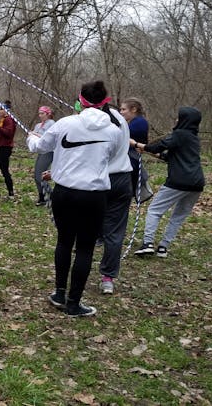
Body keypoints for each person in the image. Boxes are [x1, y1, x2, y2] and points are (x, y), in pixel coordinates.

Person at [26, 81, 120, 317]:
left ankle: (63, 295)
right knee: (85, 248)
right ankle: (70, 300)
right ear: (104, 102)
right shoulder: (114, 130)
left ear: (81, 100)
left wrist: (31, 138)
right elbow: (111, 157)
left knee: (65, 242)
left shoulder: (65, 124)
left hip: (65, 193)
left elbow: (40, 147)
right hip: (94, 196)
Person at [133, 107, 205, 258]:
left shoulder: (180, 134)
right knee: (178, 216)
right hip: (197, 183)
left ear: (185, 120)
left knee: (154, 210)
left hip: (179, 181)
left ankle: (148, 243)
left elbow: (157, 146)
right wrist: (145, 150)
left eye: (179, 118)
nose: (176, 120)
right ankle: (163, 247)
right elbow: (167, 156)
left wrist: (135, 144)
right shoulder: (193, 138)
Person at [97, 103, 133, 295]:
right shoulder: (119, 119)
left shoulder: (101, 126)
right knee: (114, 231)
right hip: (122, 179)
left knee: (93, 223)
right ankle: (108, 277)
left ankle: (106, 276)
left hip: (103, 178)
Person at [120, 98, 150, 196]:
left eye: (124, 109)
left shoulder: (139, 122)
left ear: (133, 109)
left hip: (132, 161)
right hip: (129, 161)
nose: (121, 112)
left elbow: (121, 135)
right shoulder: (133, 122)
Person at [31, 106, 55, 206]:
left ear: (48, 114)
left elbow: (49, 138)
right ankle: (42, 196)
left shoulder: (52, 124)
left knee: (40, 175)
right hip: (41, 152)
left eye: (42, 113)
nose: (40, 115)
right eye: (39, 113)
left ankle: (48, 197)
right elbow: (34, 135)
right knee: (36, 175)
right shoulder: (37, 125)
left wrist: (37, 136)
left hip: (49, 152)